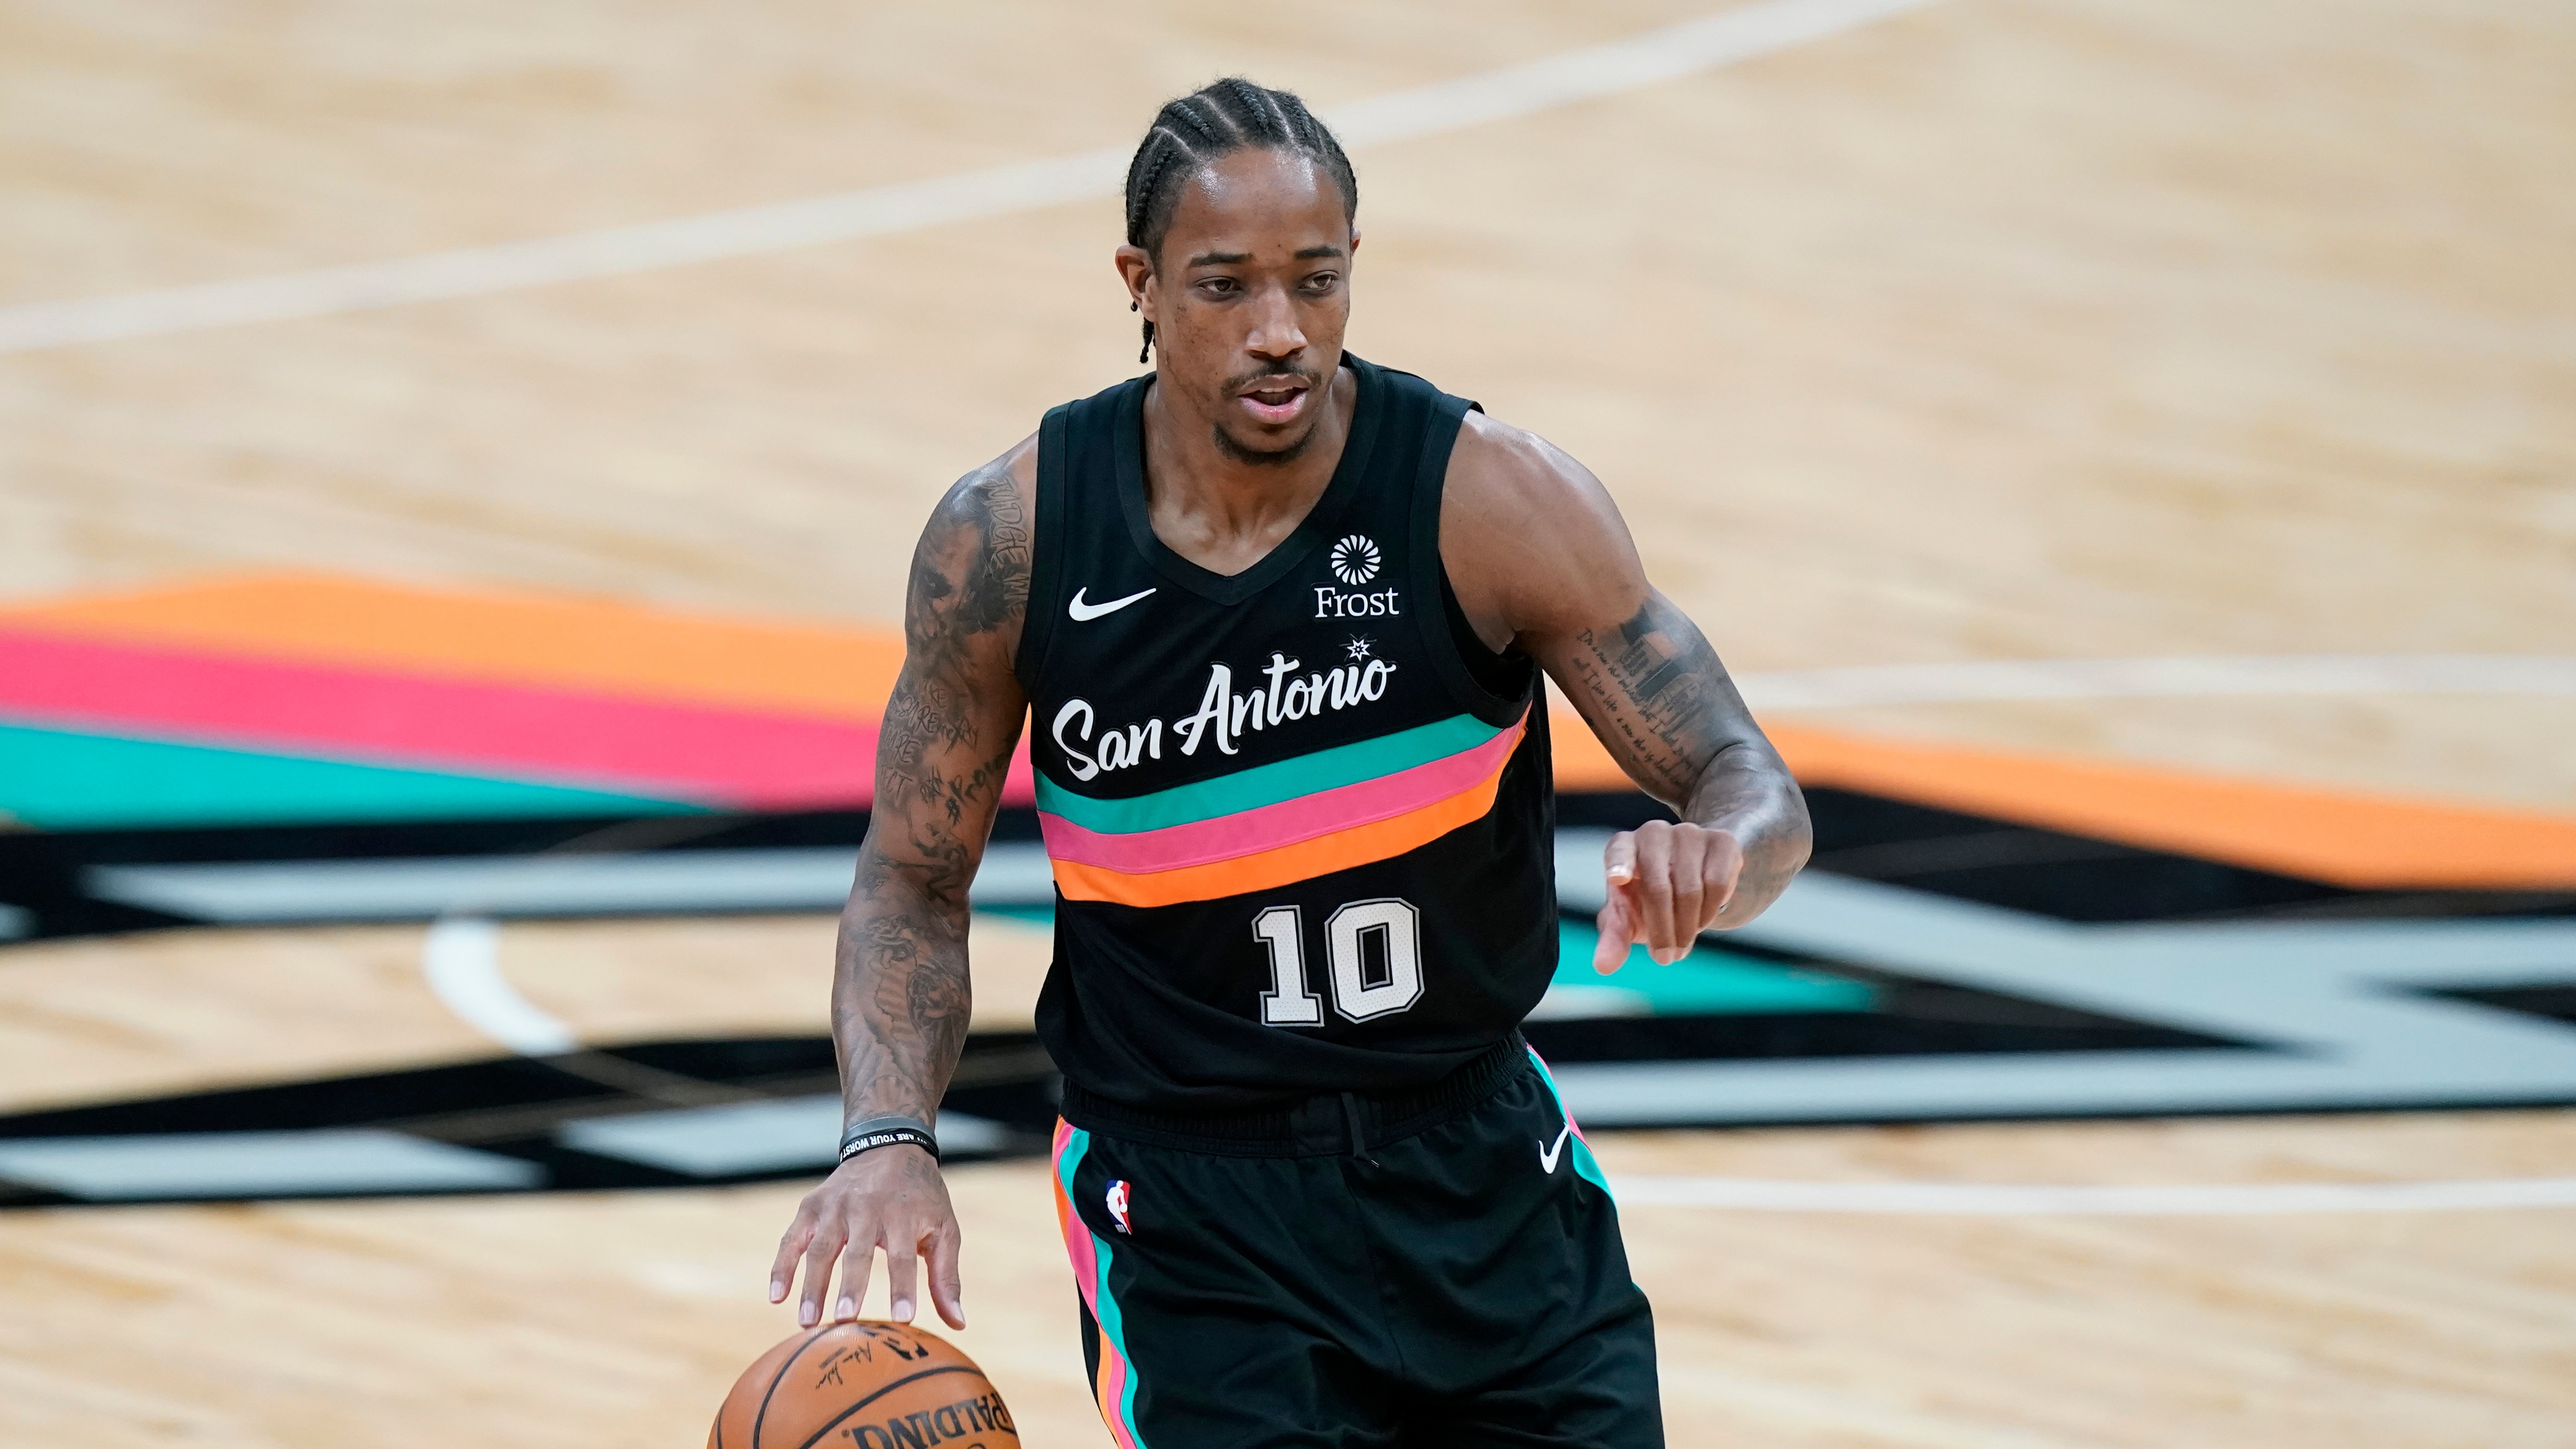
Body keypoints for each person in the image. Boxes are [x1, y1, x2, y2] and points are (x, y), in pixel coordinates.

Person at [770, 77, 1810, 1448]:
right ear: (1140, 283)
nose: (1280, 333)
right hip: (1199, 1213)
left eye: (1315, 283)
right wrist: (886, 1133)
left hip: (1481, 1172)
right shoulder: (1013, 540)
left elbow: (1749, 777)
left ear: (1354, 273)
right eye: (1225, 287)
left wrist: (1719, 850)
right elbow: (912, 881)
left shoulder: (1488, 502)